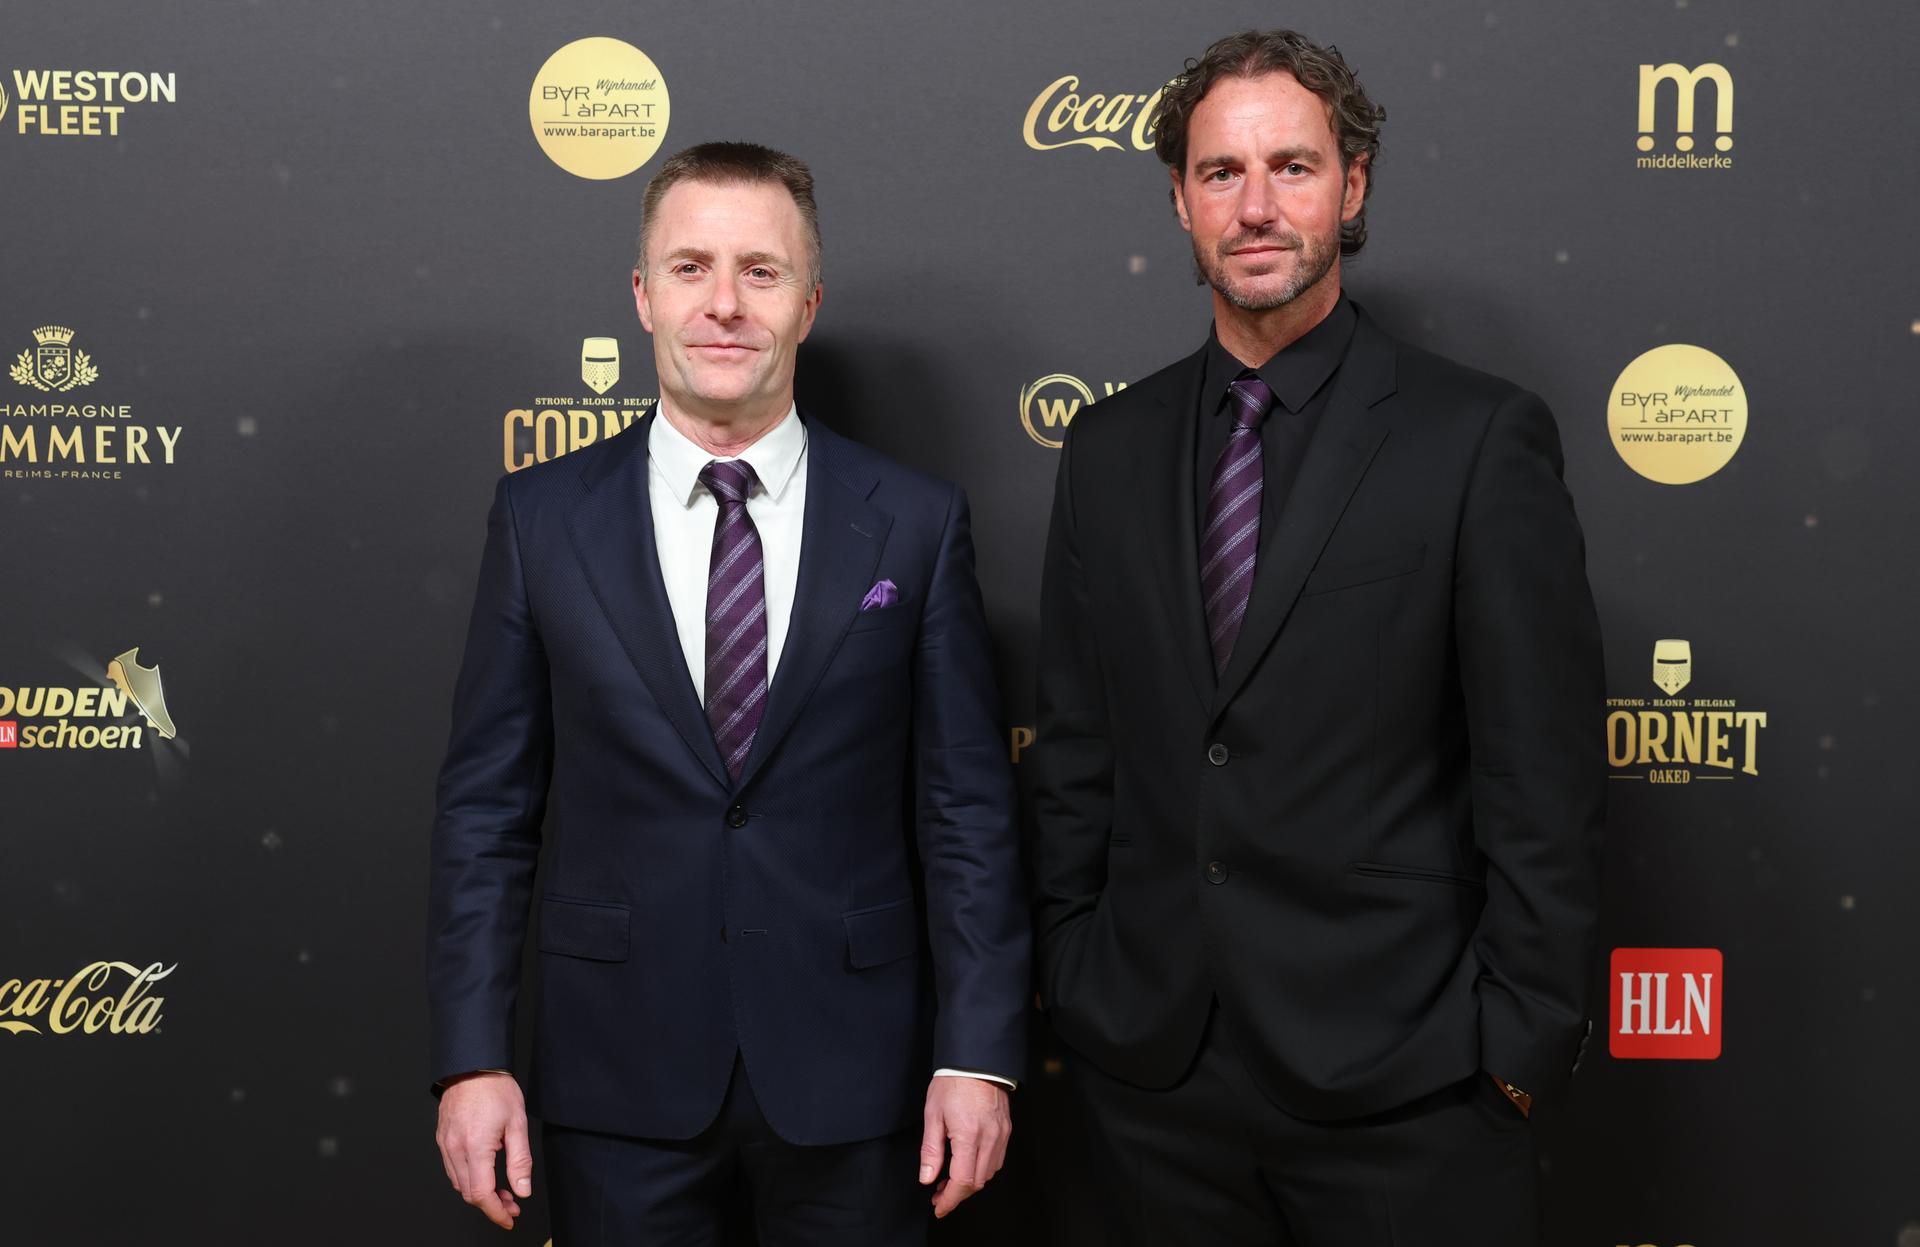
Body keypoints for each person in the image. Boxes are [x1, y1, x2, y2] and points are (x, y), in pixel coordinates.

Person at [1030, 30, 1604, 1246]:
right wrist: (1076, 980)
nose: (1256, 206)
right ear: (1180, 200)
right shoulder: (1109, 448)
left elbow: (1539, 776)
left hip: (1410, 1085)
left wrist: (1515, 1048)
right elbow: (1077, 751)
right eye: (1221, 173)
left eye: (1291, 166)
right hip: (1151, 1081)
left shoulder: (1475, 438)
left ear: (1352, 189)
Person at [427, 142, 1028, 1245]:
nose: (724, 303)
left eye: (760, 271)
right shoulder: (541, 518)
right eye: (692, 267)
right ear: (643, 295)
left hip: (861, 1078)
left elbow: (968, 811)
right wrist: (472, 1055)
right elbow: (485, 812)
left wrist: (979, 1051)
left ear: (809, 300)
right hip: (616, 1077)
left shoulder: (917, 519)